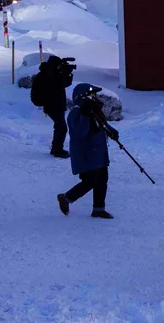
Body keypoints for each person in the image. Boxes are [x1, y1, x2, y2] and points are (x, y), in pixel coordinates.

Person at [56, 83, 117, 219]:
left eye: (94, 95)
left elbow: (102, 125)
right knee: (89, 181)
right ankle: (65, 198)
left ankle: (98, 209)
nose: (93, 98)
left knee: (102, 179)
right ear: (81, 98)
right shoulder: (76, 113)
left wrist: (111, 131)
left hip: (99, 152)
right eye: (90, 95)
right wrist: (85, 114)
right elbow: (81, 132)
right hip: (85, 154)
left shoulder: (94, 111)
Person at [31, 55, 74, 158]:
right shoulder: (48, 75)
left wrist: (67, 72)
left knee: (59, 127)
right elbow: (60, 83)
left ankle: (56, 148)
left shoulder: (51, 73)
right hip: (53, 105)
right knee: (61, 127)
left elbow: (65, 83)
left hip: (56, 105)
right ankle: (57, 150)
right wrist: (66, 73)